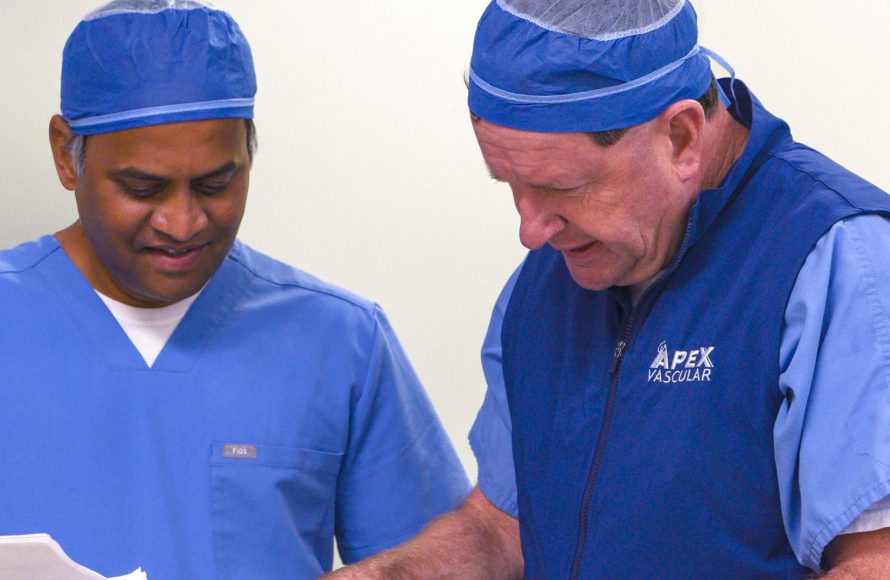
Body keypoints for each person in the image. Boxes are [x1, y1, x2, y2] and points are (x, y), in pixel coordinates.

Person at [0, 1, 469, 578]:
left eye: (217, 183)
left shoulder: (341, 342)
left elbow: (441, 560)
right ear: (66, 155)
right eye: (142, 188)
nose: (183, 222)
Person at [327, 0, 890, 578]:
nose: (530, 232)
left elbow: (877, 561)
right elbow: (502, 528)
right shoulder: (544, 284)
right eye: (510, 185)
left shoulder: (839, 263)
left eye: (562, 187)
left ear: (681, 138)